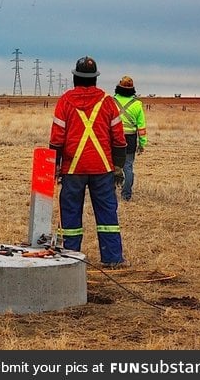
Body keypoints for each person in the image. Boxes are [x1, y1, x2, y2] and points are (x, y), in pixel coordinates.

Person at [49, 56, 127, 268]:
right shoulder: (108, 102)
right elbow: (119, 138)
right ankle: (112, 258)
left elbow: (57, 138)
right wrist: (119, 166)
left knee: (71, 213)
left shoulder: (65, 101)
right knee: (107, 214)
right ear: (95, 79)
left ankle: (71, 258)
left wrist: (54, 167)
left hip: (73, 168)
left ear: (75, 78)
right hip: (102, 168)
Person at [113, 75, 148, 202]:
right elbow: (141, 126)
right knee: (128, 167)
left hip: (114, 139)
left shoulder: (111, 101)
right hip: (130, 139)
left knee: (112, 166)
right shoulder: (137, 104)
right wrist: (142, 143)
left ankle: (110, 193)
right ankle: (126, 195)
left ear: (118, 87)